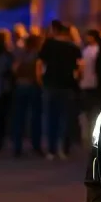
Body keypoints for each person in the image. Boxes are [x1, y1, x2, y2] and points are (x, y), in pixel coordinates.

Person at [38, 21, 81, 159]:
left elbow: (40, 62)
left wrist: (40, 79)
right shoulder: (73, 47)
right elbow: (80, 67)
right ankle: (63, 149)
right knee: (65, 118)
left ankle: (51, 150)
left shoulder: (49, 45)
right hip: (67, 85)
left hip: (50, 83)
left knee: (51, 118)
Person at [10, 33, 43, 156]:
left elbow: (14, 69)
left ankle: (17, 146)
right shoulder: (37, 55)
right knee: (35, 117)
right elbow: (38, 72)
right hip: (33, 86)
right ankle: (36, 144)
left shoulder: (19, 53)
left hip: (20, 85)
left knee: (19, 116)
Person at [79, 29, 101, 141]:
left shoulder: (97, 50)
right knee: (88, 110)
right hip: (86, 83)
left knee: (93, 110)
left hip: (93, 83)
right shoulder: (86, 50)